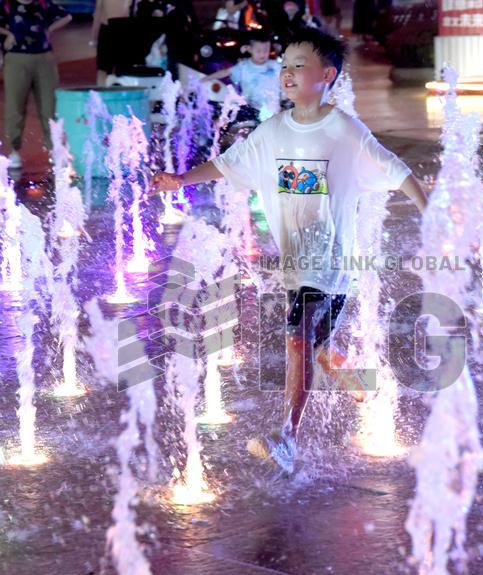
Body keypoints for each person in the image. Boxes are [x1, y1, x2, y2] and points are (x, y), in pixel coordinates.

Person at [150, 27, 428, 474]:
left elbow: (396, 170)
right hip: (297, 266)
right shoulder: (274, 130)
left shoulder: (342, 128)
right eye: (284, 66)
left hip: (330, 266)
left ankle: (286, 438)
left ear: (327, 75)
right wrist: (181, 181)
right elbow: (227, 164)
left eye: (300, 65)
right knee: (314, 348)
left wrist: (427, 210)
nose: (287, 73)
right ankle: (359, 383)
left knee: (297, 341)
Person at [0, 0, 71, 169]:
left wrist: (49, 29)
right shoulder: (7, 5)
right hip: (16, 58)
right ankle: (14, 150)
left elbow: (66, 16)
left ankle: (54, 149)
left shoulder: (42, 4)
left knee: (49, 106)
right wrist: (6, 33)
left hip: (44, 58)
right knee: (15, 106)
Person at [201, 31, 281, 120]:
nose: (262, 54)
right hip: (250, 110)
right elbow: (226, 72)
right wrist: (205, 79)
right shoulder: (243, 66)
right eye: (258, 51)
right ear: (250, 49)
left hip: (272, 112)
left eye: (266, 50)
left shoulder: (275, 66)